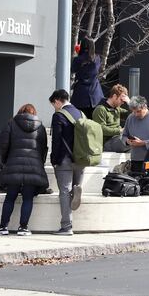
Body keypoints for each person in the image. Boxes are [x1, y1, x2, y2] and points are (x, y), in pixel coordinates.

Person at [48, 89, 101, 235]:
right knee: (72, 189)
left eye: (53, 104)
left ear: (57, 100)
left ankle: (66, 226)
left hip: (65, 159)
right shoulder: (81, 113)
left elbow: (56, 140)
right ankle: (77, 189)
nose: (54, 107)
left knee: (64, 192)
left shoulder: (59, 115)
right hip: (81, 159)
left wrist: (54, 160)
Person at [0, 104, 48, 236]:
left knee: (10, 197)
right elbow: (43, 147)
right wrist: (40, 162)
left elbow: (4, 144)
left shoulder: (11, 124)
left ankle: (3, 227)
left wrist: (5, 160)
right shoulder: (40, 126)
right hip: (33, 165)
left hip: (14, 163)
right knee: (28, 198)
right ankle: (23, 228)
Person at [121, 96, 149, 169]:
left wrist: (143, 143)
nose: (136, 114)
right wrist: (128, 141)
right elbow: (124, 136)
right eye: (134, 112)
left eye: (138, 111)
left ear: (145, 107)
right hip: (135, 159)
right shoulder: (130, 118)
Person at [91, 84, 131, 153]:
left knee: (137, 141)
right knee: (127, 142)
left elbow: (133, 115)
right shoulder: (100, 109)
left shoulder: (117, 109)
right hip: (106, 142)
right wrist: (120, 131)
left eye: (124, 101)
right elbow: (101, 129)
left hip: (118, 139)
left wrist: (130, 103)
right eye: (121, 100)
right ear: (114, 96)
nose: (123, 103)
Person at [70, 39, 103, 118]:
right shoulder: (97, 58)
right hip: (95, 94)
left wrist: (78, 54)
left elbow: (73, 70)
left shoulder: (78, 59)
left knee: (81, 121)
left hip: (81, 95)